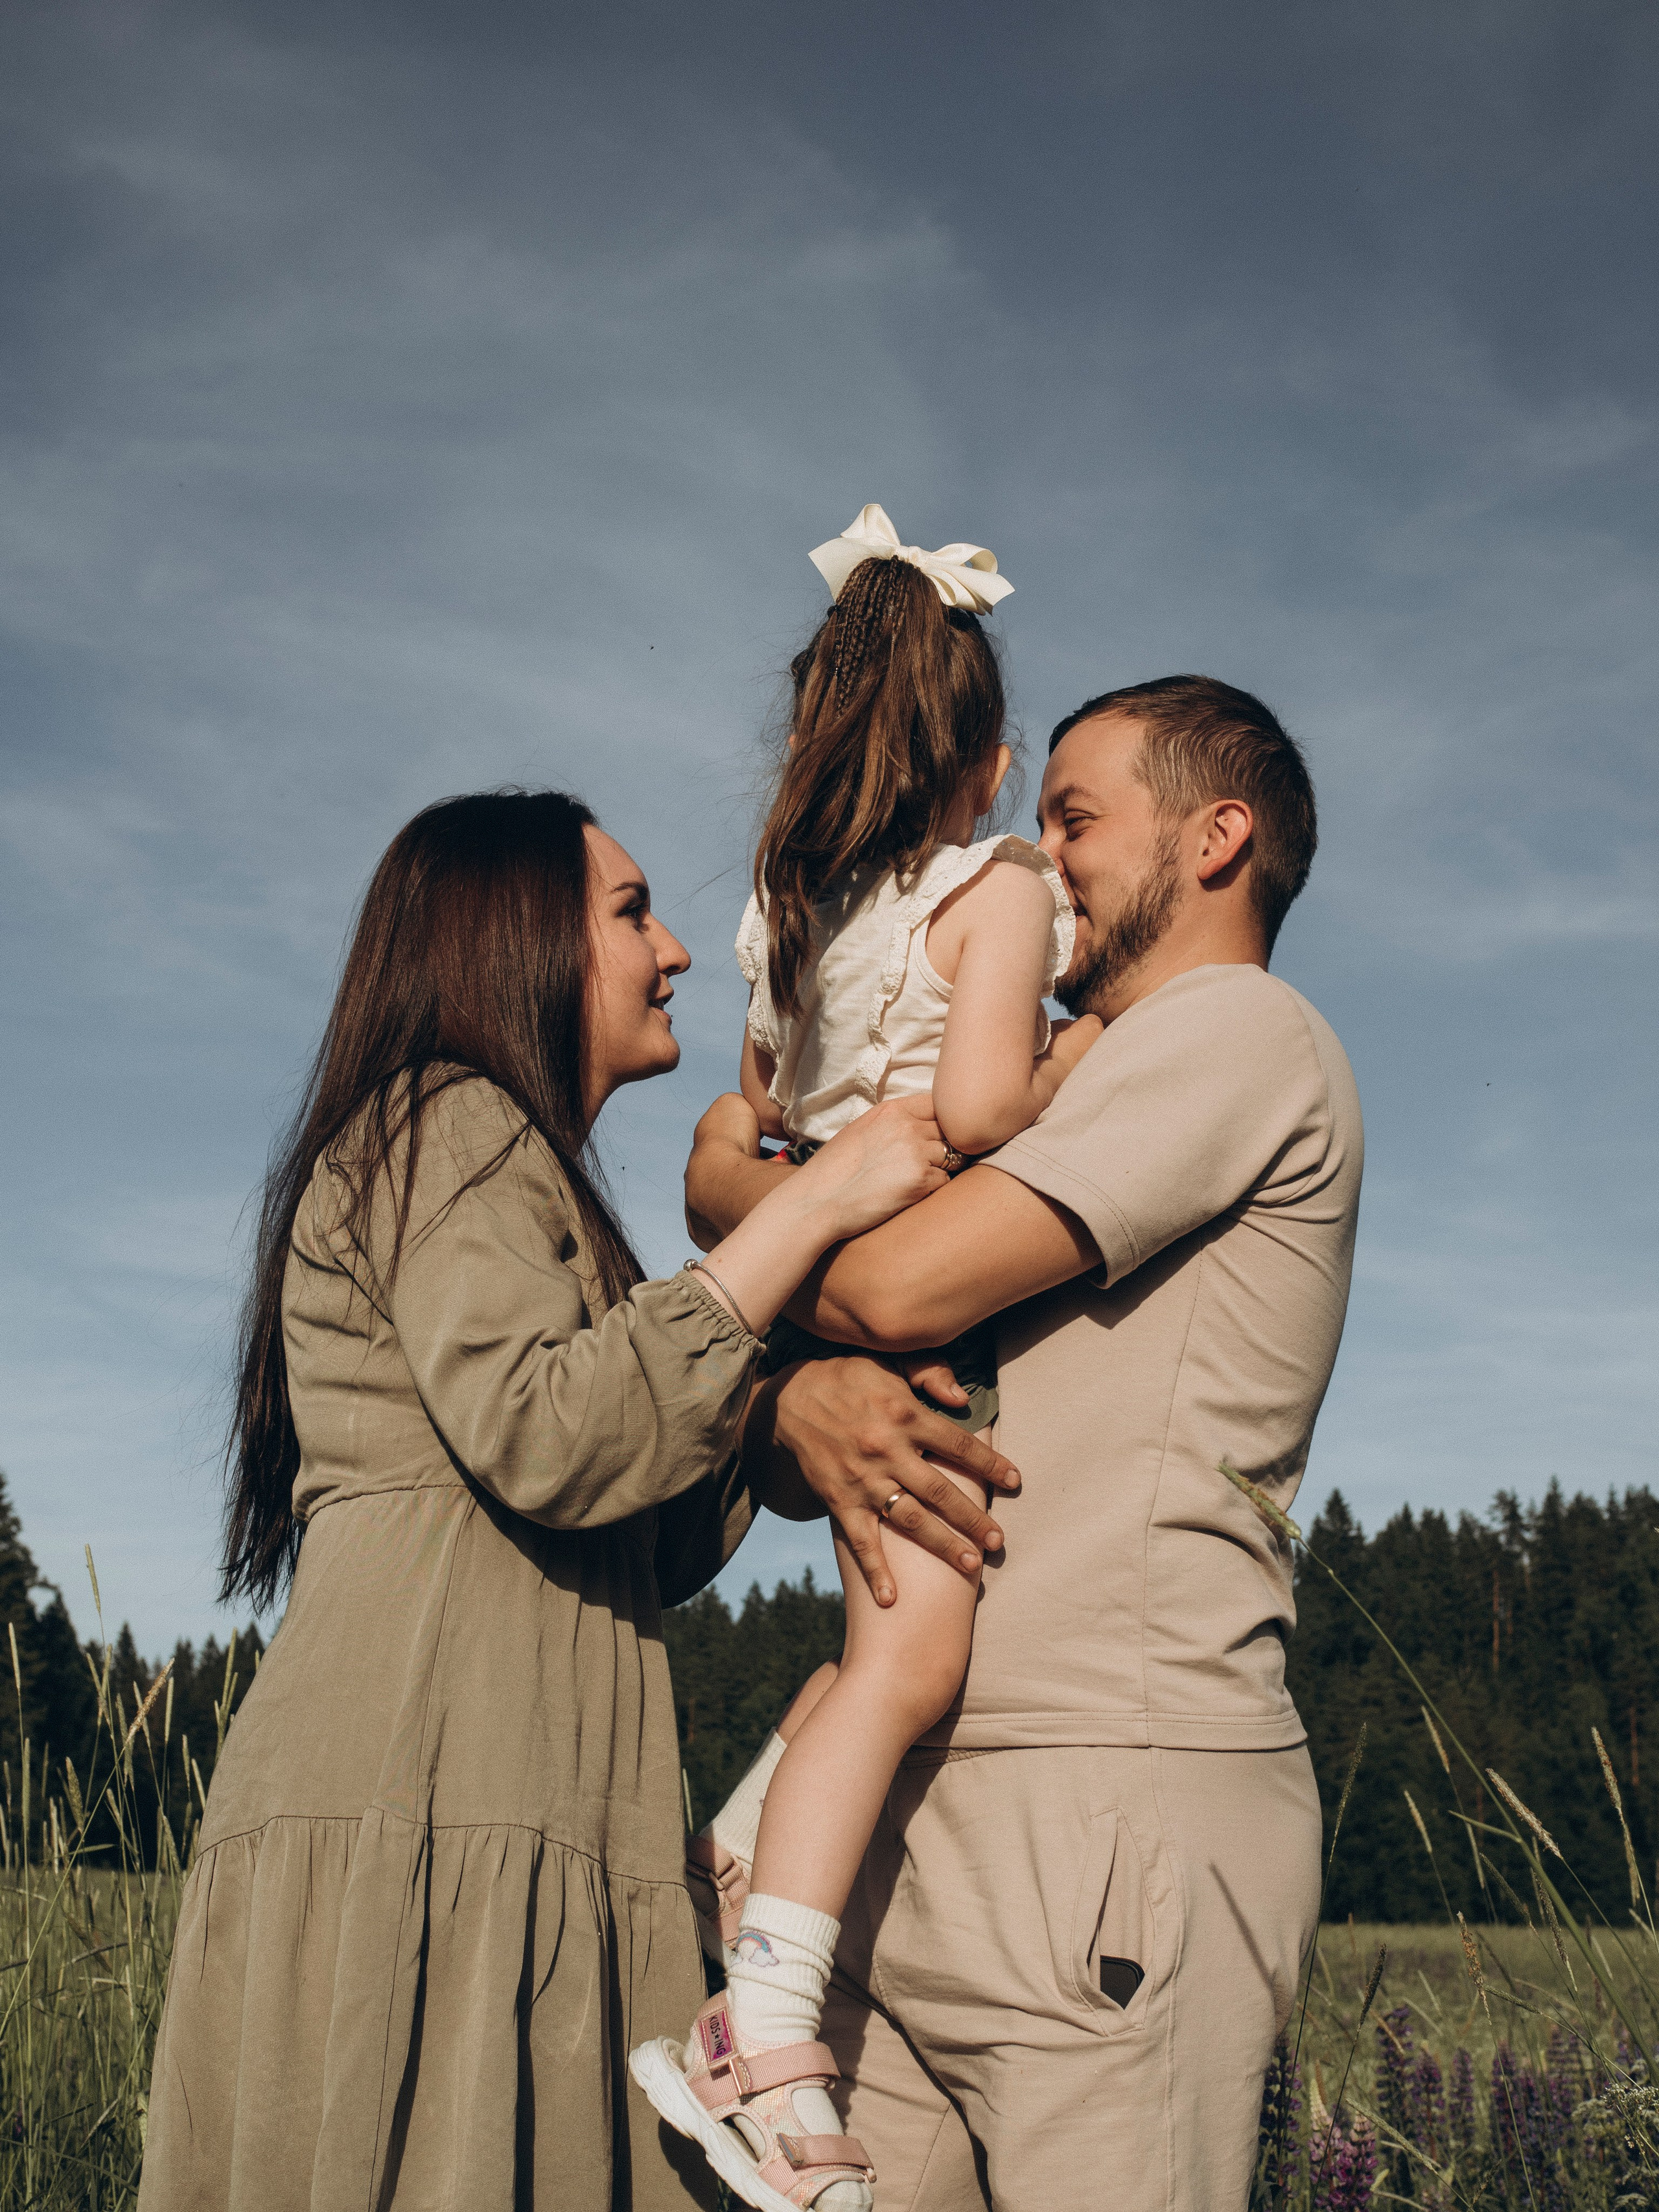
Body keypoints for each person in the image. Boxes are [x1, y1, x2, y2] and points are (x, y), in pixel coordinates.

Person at [137, 787, 979, 2212]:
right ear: (514, 935)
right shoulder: (446, 1119)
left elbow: (628, 1505)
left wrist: (778, 1401)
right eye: (631, 911)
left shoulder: (509, 1168)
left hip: (504, 1796)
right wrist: (812, 1207)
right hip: (430, 1796)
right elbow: (551, 1430)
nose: (675, 954)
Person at [684, 676, 1364, 2212]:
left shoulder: (1233, 1034)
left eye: (1073, 819)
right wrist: (799, 1407)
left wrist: (722, 1193)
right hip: (911, 1808)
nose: (1033, 857)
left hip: (1102, 1798)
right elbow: (836, 1427)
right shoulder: (1038, 1078)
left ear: (1215, 837)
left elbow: (886, 1283)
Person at [629, 505, 1098, 2212]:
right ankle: (762, 2023)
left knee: (884, 1643)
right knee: (917, 1663)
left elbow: (747, 1120)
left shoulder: (790, 924)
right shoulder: (1002, 890)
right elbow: (979, 1107)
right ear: (983, 760)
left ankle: (749, 1844)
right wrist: (1082, 1066)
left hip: (814, 1254)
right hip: (930, 1302)